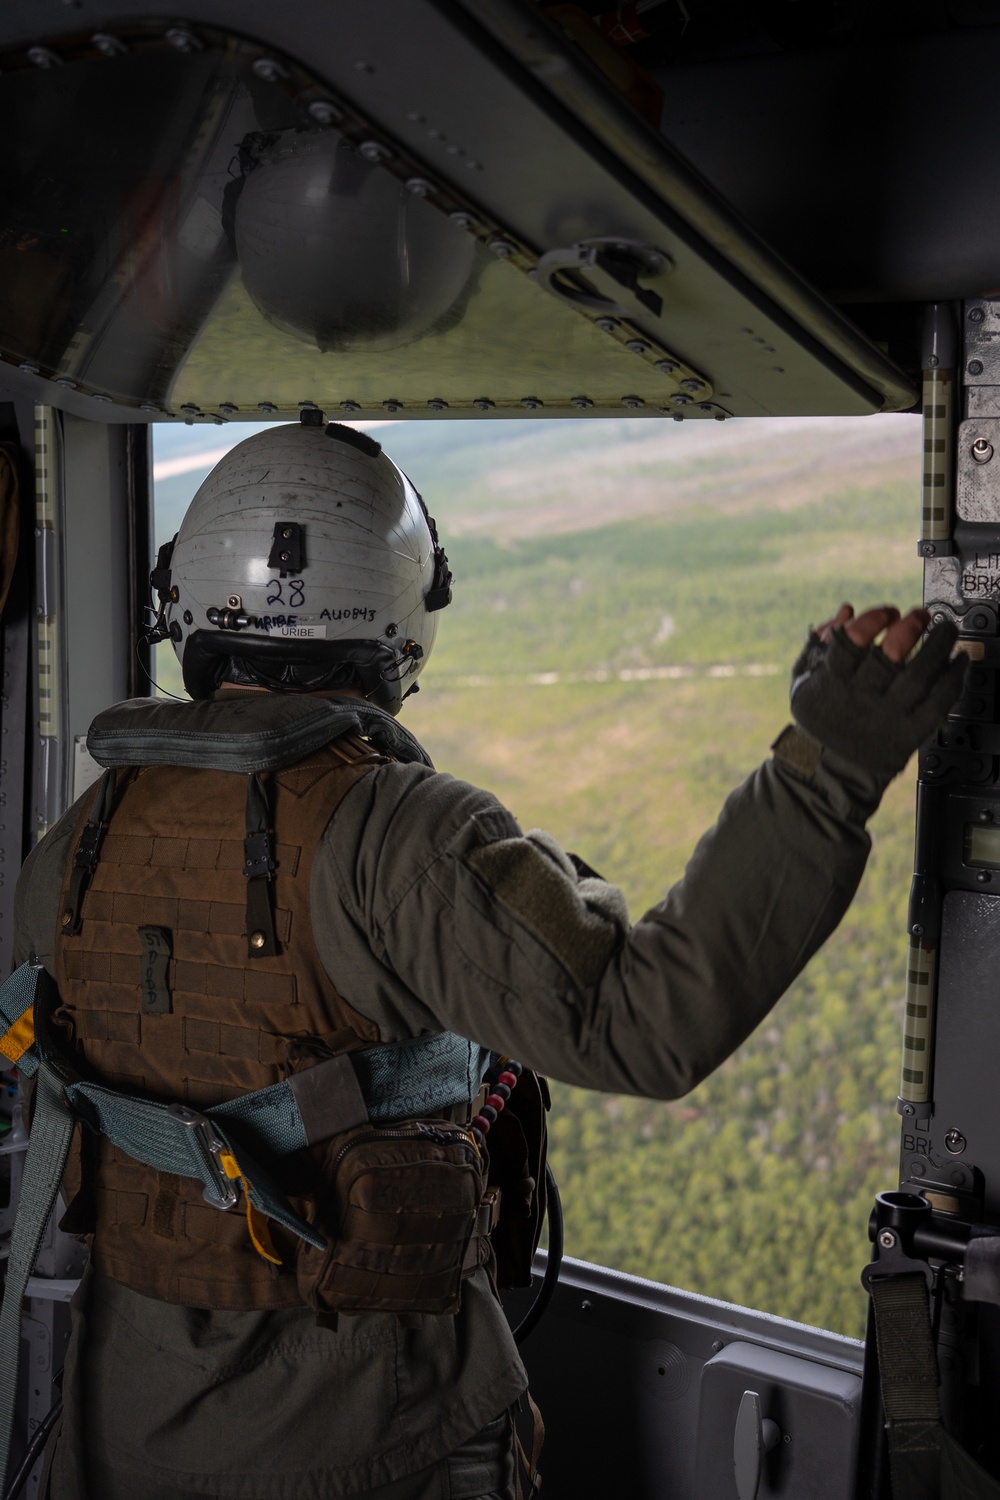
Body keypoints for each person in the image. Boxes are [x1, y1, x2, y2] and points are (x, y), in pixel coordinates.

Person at [10, 418, 964, 1500]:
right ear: (398, 621)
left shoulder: (73, 846)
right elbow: (645, 1026)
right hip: (365, 1440)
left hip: (117, 1430)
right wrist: (825, 767)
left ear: (186, 612)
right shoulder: (397, 832)